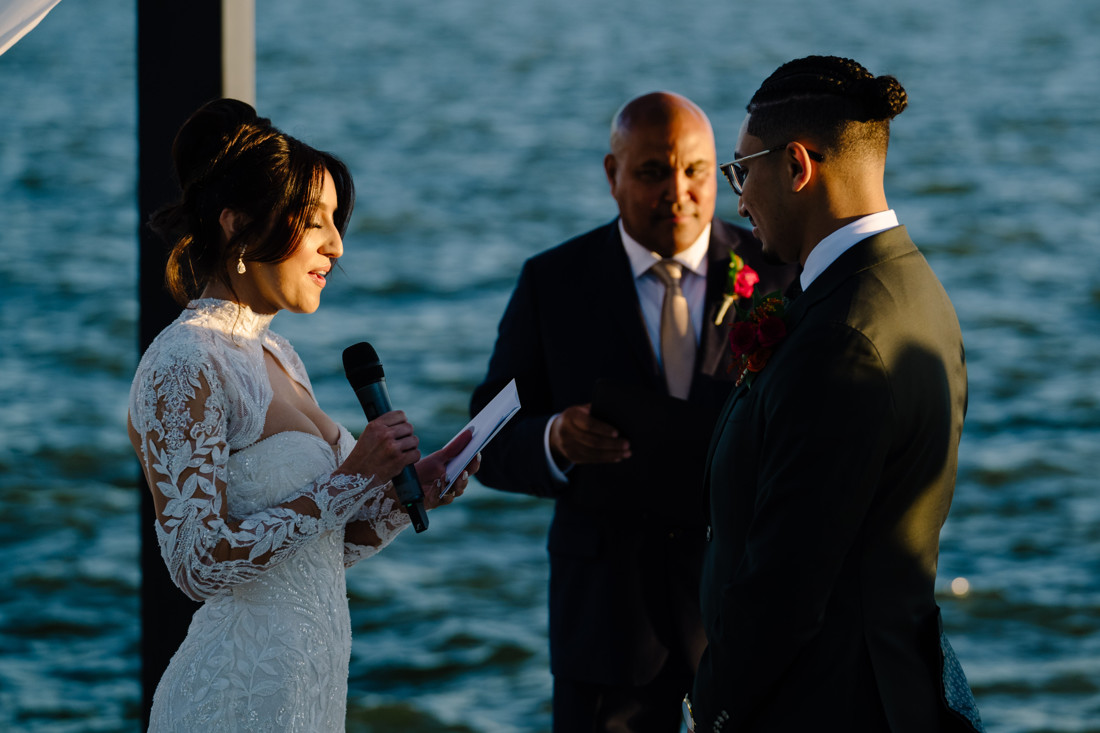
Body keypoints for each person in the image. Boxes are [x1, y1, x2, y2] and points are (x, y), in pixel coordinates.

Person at [127, 98, 479, 732]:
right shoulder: (185, 362)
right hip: (233, 701)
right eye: (314, 221)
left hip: (309, 697)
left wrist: (403, 496)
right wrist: (352, 477)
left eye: (336, 222)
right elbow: (196, 561)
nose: (337, 246)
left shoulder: (279, 354)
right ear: (236, 228)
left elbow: (319, 548)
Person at [470, 91, 797, 732]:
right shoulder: (553, 281)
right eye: (651, 171)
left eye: (696, 171)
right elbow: (488, 434)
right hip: (606, 622)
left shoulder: (777, 273)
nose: (677, 191)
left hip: (740, 614)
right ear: (612, 175)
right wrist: (555, 439)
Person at [686, 56, 984, 732]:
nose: (736, 199)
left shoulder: (842, 339)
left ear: (797, 166)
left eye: (741, 170)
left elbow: (788, 588)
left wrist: (710, 711)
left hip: (828, 706)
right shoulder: (912, 287)